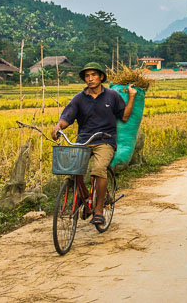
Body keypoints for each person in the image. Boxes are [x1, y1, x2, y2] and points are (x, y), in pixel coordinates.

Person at [52, 62, 137, 226]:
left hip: (104, 140)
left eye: (93, 75)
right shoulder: (78, 98)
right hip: (83, 140)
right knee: (72, 169)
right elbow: (66, 118)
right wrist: (58, 127)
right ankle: (83, 198)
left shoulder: (112, 96)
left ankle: (98, 210)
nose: (90, 79)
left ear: (101, 77)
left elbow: (125, 117)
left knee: (98, 169)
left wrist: (132, 96)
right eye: (87, 76)